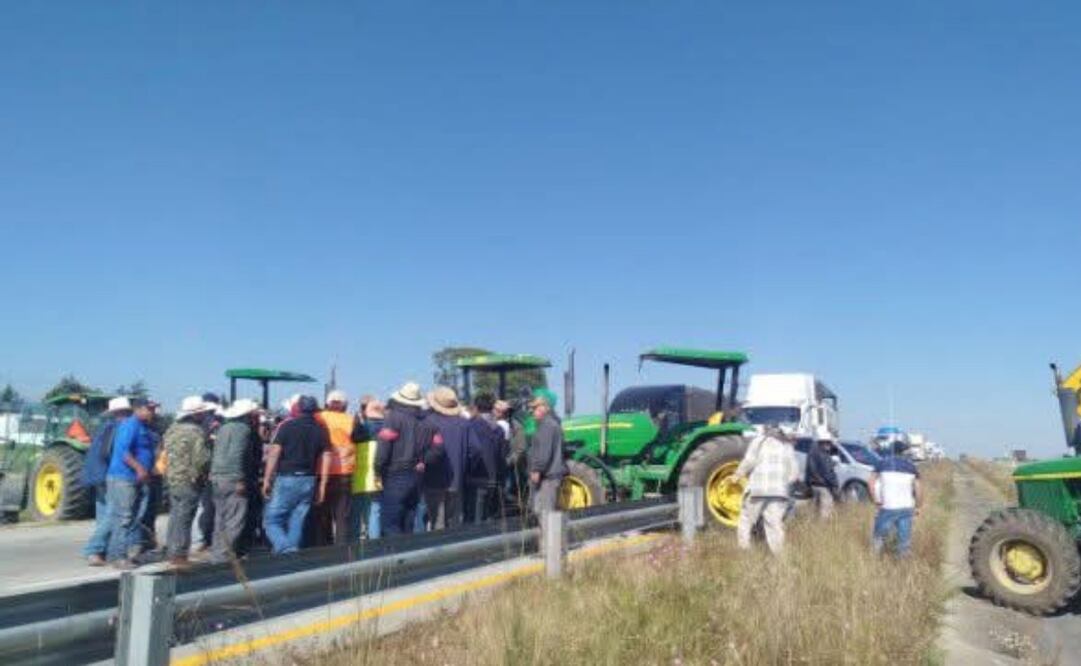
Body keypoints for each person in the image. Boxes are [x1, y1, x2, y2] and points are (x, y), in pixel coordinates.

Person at [262, 396, 331, 554]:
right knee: (297, 520)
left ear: (298, 409)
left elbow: (274, 452)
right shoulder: (321, 430)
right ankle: (291, 558)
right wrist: (322, 485)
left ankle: (287, 550)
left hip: (287, 477)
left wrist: (267, 478)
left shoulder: (287, 426)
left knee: (271, 520)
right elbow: (326, 456)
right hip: (309, 479)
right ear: (315, 410)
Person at [162, 397, 215, 567]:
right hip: (189, 479)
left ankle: (171, 550)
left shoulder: (172, 429)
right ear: (197, 413)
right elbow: (201, 459)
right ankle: (179, 555)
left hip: (173, 477)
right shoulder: (196, 432)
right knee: (185, 517)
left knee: (175, 515)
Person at [105, 400, 157, 568]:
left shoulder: (143, 427)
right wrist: (140, 469)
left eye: (153, 409)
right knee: (124, 517)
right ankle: (118, 556)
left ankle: (119, 553)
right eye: (150, 409)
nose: (153, 412)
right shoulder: (130, 425)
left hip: (134, 478)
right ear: (138, 409)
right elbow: (124, 452)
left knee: (130, 517)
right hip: (123, 478)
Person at [80, 397, 132, 566]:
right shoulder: (119, 427)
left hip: (95, 473)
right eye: (128, 412)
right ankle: (93, 549)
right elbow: (108, 453)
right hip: (108, 474)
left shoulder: (104, 427)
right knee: (113, 513)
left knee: (103, 514)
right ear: (123, 412)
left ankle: (103, 552)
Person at [209, 398, 261, 562]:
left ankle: (217, 553)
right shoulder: (243, 430)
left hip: (217, 477)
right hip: (232, 477)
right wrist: (240, 478)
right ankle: (225, 556)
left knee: (220, 518)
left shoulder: (224, 428)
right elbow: (237, 454)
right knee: (235, 519)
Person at [734, 426, 799, 555]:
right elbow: (794, 474)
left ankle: (744, 550)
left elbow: (749, 461)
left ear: (765, 431)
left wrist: (737, 475)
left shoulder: (758, 442)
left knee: (746, 520)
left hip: (758, 489)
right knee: (774, 524)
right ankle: (779, 555)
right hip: (779, 493)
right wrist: (784, 484)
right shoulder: (787, 447)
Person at [375, 382, 427, 536]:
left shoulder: (393, 418)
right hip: (416, 474)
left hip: (395, 473)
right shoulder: (423, 420)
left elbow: (383, 449)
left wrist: (377, 469)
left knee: (390, 523)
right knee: (408, 521)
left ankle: (394, 558)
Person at [419, 386, 472, 530]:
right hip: (457, 479)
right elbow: (476, 450)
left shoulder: (427, 422)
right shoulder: (464, 424)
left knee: (437, 522)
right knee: (454, 522)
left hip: (432, 479)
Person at [315, 390, 364, 545]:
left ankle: (323, 548)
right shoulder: (351, 421)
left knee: (322, 514)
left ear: (327, 404)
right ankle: (340, 551)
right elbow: (361, 440)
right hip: (344, 472)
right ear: (345, 405)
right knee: (342, 516)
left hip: (321, 471)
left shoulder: (318, 418)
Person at [870, 440, 922, 558]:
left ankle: (874, 561)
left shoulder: (881, 463)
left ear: (891, 451)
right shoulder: (912, 467)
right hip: (906, 507)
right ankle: (902, 567)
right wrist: (918, 507)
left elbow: (871, 482)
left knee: (879, 537)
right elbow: (918, 489)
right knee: (904, 541)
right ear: (904, 452)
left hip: (888, 507)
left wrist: (876, 500)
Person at [466, 393, 506, 523]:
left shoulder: (470, 426)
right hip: (492, 479)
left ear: (476, 407)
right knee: (486, 516)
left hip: (474, 478)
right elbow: (501, 456)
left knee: (473, 518)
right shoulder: (499, 429)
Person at [527, 395, 567, 515]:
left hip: (547, 477)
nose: (532, 412)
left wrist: (536, 469)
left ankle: (547, 534)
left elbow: (544, 452)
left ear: (545, 408)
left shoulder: (547, 426)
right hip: (550, 475)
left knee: (544, 512)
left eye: (535, 408)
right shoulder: (553, 424)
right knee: (545, 511)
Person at [195, 393, 224, 554]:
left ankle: (204, 539)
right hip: (209, 470)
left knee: (206, 506)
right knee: (208, 506)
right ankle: (203, 539)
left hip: (205, 470)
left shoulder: (199, 422)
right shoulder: (212, 423)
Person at [351, 398, 383, 540]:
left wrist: (357, 421)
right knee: (375, 510)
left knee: (357, 510)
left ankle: (354, 541)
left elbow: (353, 439)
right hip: (378, 474)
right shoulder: (386, 428)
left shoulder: (362, 428)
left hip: (361, 474)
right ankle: (374, 541)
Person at [806, 432, 840, 519]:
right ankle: (823, 530)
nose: (830, 445)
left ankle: (813, 529)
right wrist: (835, 485)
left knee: (814, 511)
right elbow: (827, 472)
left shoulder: (812, 452)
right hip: (824, 486)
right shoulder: (823, 454)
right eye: (829, 443)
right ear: (824, 442)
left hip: (813, 485)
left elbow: (810, 470)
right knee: (825, 513)